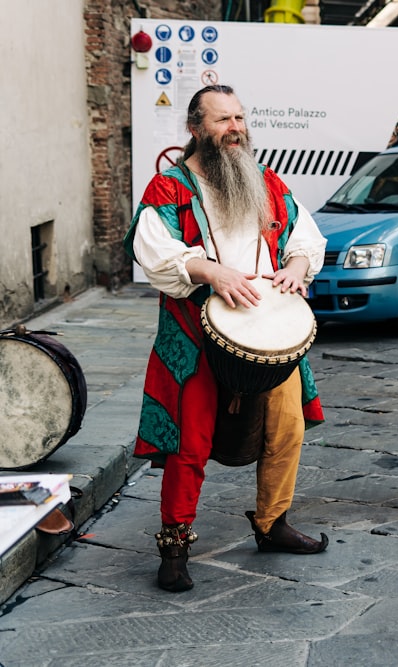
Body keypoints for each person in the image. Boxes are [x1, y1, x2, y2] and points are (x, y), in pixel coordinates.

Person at [123, 84, 329, 593]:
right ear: (195, 128)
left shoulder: (266, 181)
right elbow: (154, 249)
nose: (234, 128)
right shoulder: (168, 188)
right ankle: (174, 547)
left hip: (268, 332)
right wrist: (211, 272)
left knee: (287, 431)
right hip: (197, 331)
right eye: (222, 120)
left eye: (239, 118)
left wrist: (297, 268)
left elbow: (305, 236)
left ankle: (272, 523)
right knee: (188, 445)